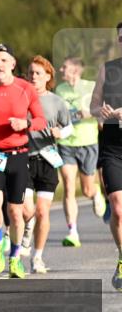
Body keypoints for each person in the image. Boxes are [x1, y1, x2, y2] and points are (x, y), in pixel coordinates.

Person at [0, 44, 46, 279]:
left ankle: (14, 258)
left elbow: (41, 120)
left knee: (15, 212)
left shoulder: (26, 89)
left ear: (13, 64)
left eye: (3, 60)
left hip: (18, 154)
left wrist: (26, 124)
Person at [19, 56, 72, 274]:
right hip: (23, 158)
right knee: (26, 209)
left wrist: (61, 132)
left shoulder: (56, 102)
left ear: (48, 77)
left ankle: (37, 257)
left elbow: (69, 127)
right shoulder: (20, 98)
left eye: (38, 73)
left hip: (48, 159)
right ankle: (27, 229)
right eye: (31, 73)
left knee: (43, 212)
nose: (33, 77)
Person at [55, 56, 105, 245]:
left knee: (86, 189)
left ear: (76, 69)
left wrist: (90, 113)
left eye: (65, 67)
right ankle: (73, 232)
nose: (61, 70)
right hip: (66, 143)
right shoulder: (60, 90)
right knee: (68, 184)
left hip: (88, 141)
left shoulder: (91, 87)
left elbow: (103, 109)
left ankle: (96, 193)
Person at [89, 22, 122, 292]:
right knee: (119, 208)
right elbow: (92, 106)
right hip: (113, 148)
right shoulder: (107, 69)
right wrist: (104, 112)